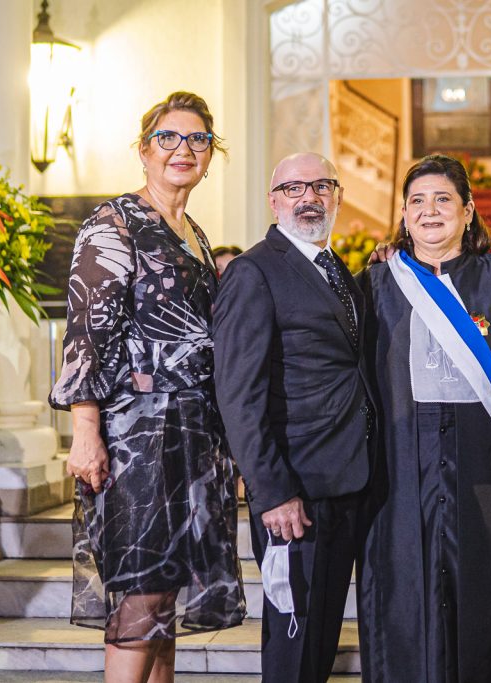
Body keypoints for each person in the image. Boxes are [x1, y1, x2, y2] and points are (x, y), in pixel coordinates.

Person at [49, 92, 246, 683]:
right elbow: (86, 332)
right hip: (137, 439)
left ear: (212, 154)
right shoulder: (114, 224)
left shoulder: (195, 233)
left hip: (190, 437)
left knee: (163, 604)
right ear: (144, 150)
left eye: (198, 139)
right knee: (139, 601)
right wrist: (85, 432)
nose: (183, 149)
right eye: (169, 138)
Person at [356, 155, 491, 682]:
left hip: (489, 466)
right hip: (402, 469)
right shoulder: (375, 288)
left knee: (489, 592)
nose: (430, 211)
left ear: (470, 210)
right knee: (408, 596)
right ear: (403, 215)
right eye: (417, 202)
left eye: (444, 199)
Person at [213, 152, 373, 683]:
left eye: (322, 185)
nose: (310, 197)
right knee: (294, 642)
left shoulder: (337, 270)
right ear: (274, 200)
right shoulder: (253, 271)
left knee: (322, 635)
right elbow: (238, 393)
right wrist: (271, 491)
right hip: (295, 492)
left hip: (346, 483)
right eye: (295, 187)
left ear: (338, 196)